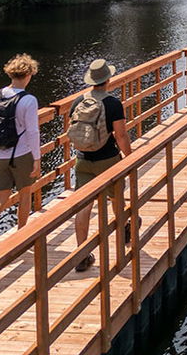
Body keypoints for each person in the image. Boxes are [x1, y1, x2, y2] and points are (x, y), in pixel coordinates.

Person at [70, 58, 133, 272]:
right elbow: (121, 135)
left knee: (84, 206)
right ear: (108, 79)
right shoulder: (113, 104)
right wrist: (130, 156)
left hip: (83, 160)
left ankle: (81, 254)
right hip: (108, 160)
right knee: (116, 198)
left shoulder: (78, 101)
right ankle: (125, 228)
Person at [0, 53, 41, 255]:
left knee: (0, 197)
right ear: (28, 75)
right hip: (22, 154)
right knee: (24, 195)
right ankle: (21, 239)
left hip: (0, 154)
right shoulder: (28, 100)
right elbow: (32, 131)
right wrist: (37, 158)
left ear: (11, 74)